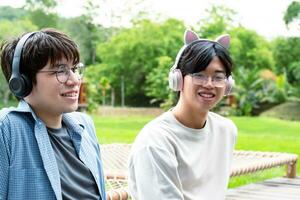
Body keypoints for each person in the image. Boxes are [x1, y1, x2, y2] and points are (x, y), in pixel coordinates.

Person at [128, 29, 237, 200]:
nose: (209, 84)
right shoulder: (156, 141)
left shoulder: (226, 130)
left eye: (218, 77)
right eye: (199, 75)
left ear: (228, 84)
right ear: (178, 79)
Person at [0, 28, 106, 200]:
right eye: (60, 71)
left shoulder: (85, 125)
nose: (74, 80)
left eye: (74, 69)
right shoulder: (7, 129)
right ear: (21, 82)